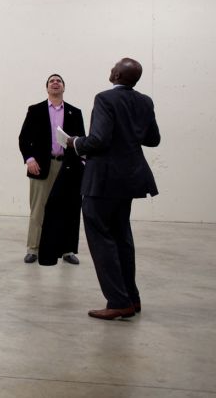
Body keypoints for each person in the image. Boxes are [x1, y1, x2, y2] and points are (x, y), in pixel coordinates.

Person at [67, 57, 160, 320]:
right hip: (129, 180)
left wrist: (74, 142)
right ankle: (132, 298)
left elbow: (98, 140)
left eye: (114, 66)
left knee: (102, 240)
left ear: (118, 75)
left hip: (103, 181)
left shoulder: (105, 98)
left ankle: (119, 301)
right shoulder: (145, 101)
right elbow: (153, 139)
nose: (111, 69)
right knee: (122, 237)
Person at [17, 73, 86, 265]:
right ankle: (33, 249)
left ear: (64, 87)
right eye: (51, 81)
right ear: (46, 87)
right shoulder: (35, 110)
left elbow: (82, 140)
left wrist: (83, 163)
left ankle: (67, 250)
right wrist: (29, 159)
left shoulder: (75, 112)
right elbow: (24, 138)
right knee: (39, 208)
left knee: (69, 209)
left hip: (68, 167)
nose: (55, 83)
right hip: (41, 166)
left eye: (59, 81)